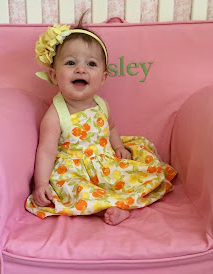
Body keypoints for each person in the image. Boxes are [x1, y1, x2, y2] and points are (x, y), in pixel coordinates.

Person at [26, 21, 176, 225]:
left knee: (133, 174)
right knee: (78, 191)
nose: (81, 69)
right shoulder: (55, 115)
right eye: (70, 63)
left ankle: (120, 201)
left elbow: (111, 127)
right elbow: (46, 150)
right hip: (75, 170)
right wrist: (41, 183)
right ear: (53, 75)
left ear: (103, 78)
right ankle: (108, 209)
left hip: (105, 162)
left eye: (91, 64)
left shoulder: (102, 105)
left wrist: (119, 147)